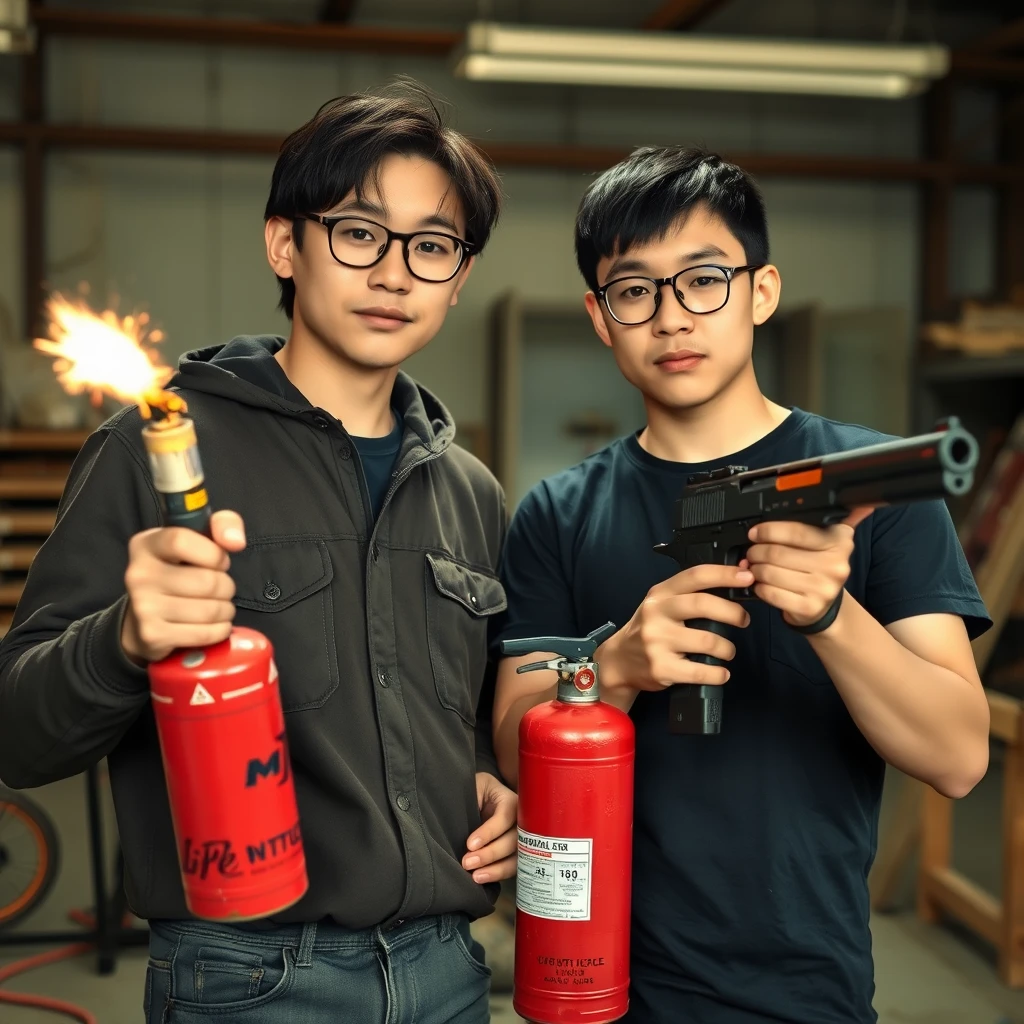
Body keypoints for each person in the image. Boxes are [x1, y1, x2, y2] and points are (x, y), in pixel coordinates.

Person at [0, 81, 516, 1024]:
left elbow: (456, 717)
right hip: (252, 981)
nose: (395, 274)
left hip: (448, 974)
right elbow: (17, 733)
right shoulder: (152, 451)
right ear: (286, 243)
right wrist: (123, 639)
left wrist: (491, 784)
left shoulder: (470, 493)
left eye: (432, 248)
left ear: (459, 275)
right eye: (360, 233)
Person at [491, 145, 991, 1024]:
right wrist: (610, 672)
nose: (672, 318)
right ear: (600, 318)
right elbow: (509, 749)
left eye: (704, 280)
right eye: (635, 290)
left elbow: (958, 756)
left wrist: (832, 616)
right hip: (597, 984)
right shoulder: (556, 513)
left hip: (807, 990)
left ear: (761, 291)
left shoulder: (875, 492)